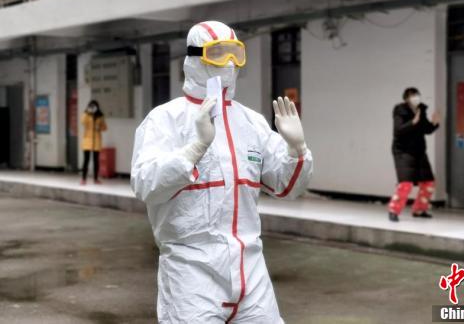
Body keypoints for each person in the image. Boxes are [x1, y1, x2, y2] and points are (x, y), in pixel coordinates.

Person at [131, 21, 313, 323]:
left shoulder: (251, 122)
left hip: (251, 270)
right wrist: (194, 149)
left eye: (235, 53)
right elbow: (144, 184)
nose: (228, 63)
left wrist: (297, 149)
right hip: (191, 272)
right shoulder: (164, 120)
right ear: (194, 58)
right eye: (218, 53)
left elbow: (287, 186)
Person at [388, 87, 440, 222]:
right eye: (412, 95)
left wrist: (434, 123)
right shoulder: (400, 110)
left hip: (419, 151)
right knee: (406, 184)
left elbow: (426, 129)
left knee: (429, 183)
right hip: (403, 152)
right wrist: (412, 122)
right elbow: (398, 130)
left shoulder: (421, 110)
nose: (416, 97)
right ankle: (393, 210)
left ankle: (419, 209)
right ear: (406, 98)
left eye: (417, 94)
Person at [80, 100, 107, 185]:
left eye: (94, 106)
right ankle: (83, 179)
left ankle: (96, 179)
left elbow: (105, 127)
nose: (93, 108)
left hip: (96, 141)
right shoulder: (86, 114)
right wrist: (87, 112)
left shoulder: (100, 116)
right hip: (87, 141)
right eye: (91, 106)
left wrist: (100, 127)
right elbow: (82, 122)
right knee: (86, 160)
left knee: (96, 161)